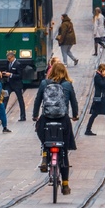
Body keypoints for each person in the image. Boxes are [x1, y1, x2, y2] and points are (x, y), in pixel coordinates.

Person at [32, 63, 78, 194]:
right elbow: (74, 102)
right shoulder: (68, 85)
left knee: (43, 137)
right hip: (63, 121)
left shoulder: (44, 83)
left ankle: (45, 155)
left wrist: (35, 116)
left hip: (46, 119)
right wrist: (75, 115)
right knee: (63, 151)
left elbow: (37, 101)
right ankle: (65, 185)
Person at [3, 51, 27, 121]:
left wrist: (10, 75)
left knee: (20, 100)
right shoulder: (8, 63)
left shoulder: (18, 64)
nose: (8, 60)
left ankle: (23, 116)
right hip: (9, 84)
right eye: (8, 58)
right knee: (5, 98)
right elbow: (7, 69)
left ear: (13, 57)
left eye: (9, 58)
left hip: (17, 85)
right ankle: (2, 115)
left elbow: (20, 75)